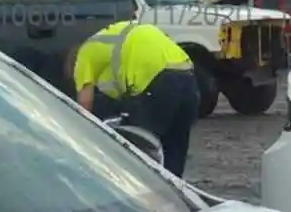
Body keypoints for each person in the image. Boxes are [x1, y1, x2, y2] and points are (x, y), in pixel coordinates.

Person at [71, 19, 200, 177]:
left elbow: (85, 105)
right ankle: (172, 194)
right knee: (174, 148)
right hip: (188, 75)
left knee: (142, 151)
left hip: (157, 80)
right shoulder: (115, 35)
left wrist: (79, 139)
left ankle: (143, 197)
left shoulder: (85, 53)